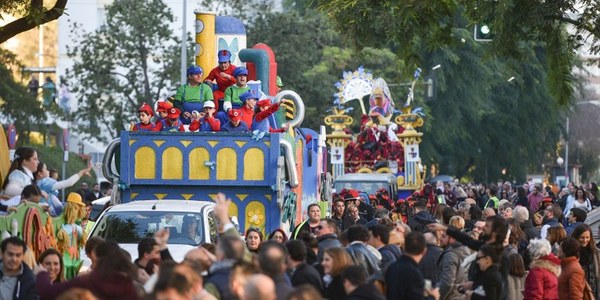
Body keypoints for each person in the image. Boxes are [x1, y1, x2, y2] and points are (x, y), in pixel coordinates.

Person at [36, 240, 138, 299]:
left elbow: (47, 292)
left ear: (98, 258)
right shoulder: (129, 286)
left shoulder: (89, 281)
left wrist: (42, 273)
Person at [386, 232, 439, 300]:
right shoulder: (414, 273)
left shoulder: (392, 267)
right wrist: (433, 297)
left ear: (404, 247)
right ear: (424, 251)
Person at [437, 226, 470, 300]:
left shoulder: (450, 255)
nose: (440, 239)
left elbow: (447, 282)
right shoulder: (465, 250)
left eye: (443, 236)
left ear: (452, 239)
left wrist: (436, 297)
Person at [571, 224, 600, 298]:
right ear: (576, 237)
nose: (585, 240)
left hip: (594, 290)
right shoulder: (571, 252)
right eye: (582, 237)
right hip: (577, 289)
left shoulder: (596, 252)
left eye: (587, 237)